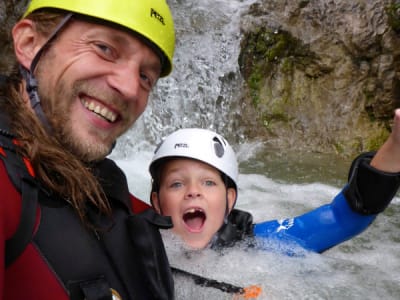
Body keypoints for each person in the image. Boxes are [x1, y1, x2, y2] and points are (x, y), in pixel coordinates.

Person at [1, 0, 176, 299]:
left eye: (146, 76)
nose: (131, 88)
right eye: (105, 48)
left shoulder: (110, 192)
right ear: (30, 44)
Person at [148, 114, 400, 252]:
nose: (193, 192)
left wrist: (397, 145)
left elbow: (345, 216)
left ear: (230, 200)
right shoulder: (131, 252)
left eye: (208, 183)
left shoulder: (256, 246)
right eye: (177, 184)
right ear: (157, 203)